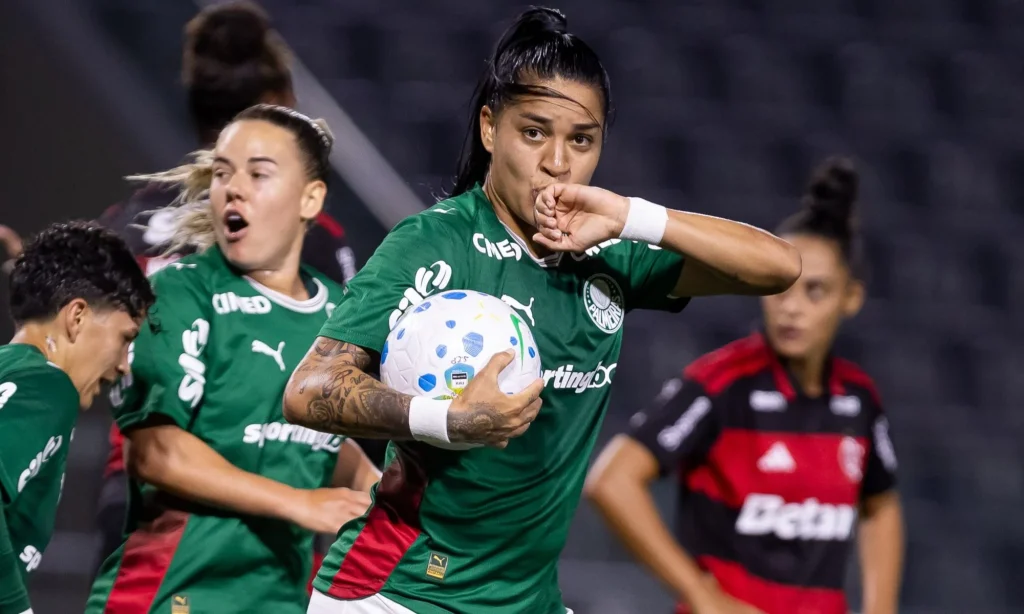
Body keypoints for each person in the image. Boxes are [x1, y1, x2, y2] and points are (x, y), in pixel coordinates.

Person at [282, 7, 802, 614]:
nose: (558, 162)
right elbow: (309, 389)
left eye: (581, 140)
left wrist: (632, 217)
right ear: (488, 128)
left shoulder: (611, 254)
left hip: (527, 602)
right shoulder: (433, 244)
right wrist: (449, 420)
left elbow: (779, 267)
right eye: (534, 133)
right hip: (395, 593)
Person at [91, 0, 370, 573]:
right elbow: (325, 389)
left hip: (144, 500)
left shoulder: (125, 222)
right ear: (285, 107)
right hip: (235, 498)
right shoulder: (309, 237)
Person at [584, 158, 904, 614]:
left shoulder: (859, 399)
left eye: (815, 291)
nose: (791, 308)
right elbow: (612, 481)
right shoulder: (720, 385)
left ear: (850, 297)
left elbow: (881, 505)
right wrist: (702, 596)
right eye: (783, 289)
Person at [0, 221, 154, 614]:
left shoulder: (12, 372)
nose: (123, 365)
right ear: (78, 317)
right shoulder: (47, 386)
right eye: (125, 338)